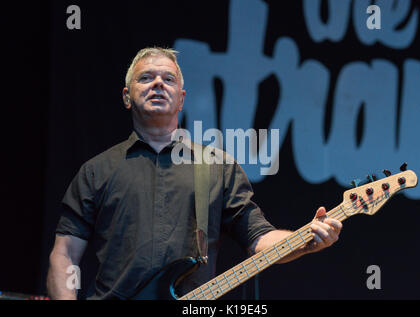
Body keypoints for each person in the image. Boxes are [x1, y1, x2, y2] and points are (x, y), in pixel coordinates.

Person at [46, 47, 342, 300]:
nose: (158, 84)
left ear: (182, 98)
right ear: (127, 96)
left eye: (168, 79)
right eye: (146, 78)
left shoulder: (217, 167)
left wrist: (306, 240)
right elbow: (65, 255)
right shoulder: (97, 171)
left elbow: (259, 240)